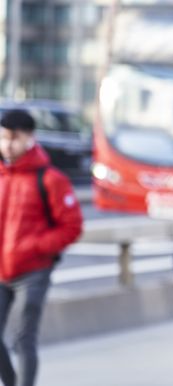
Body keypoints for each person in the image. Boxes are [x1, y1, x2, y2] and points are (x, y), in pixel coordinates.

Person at [0, 109, 83, 386]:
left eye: (14, 138)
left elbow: (71, 227)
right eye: (2, 138)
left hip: (33, 271)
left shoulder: (50, 179)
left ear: (30, 138)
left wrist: (35, 247)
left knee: (24, 338)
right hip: (1, 270)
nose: (8, 145)